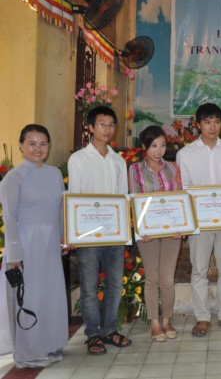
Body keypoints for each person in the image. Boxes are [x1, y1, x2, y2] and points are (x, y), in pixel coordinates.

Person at [0, 125, 68, 368]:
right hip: (26, 247)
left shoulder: (54, 174)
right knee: (28, 298)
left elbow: (61, 209)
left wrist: (64, 237)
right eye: (32, 143)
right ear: (21, 146)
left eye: (43, 144)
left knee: (50, 295)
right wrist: (14, 254)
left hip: (50, 246)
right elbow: (9, 218)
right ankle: (28, 353)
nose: (38, 149)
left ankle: (50, 343)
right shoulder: (13, 178)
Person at [68, 106, 132, 355]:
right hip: (88, 235)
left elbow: (123, 197)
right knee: (89, 287)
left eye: (111, 125)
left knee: (115, 285)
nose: (107, 129)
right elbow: (75, 196)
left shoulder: (118, 160)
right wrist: (73, 233)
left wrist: (125, 229)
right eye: (102, 124)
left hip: (114, 233)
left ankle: (109, 330)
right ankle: (93, 334)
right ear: (91, 127)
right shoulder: (78, 159)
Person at [176, 103, 221, 337]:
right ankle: (202, 317)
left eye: (216, 122)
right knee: (199, 270)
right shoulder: (185, 154)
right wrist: (188, 222)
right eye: (207, 122)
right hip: (199, 222)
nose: (212, 127)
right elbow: (184, 190)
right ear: (198, 125)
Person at [128, 126, 183, 341]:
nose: (158, 151)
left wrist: (180, 227)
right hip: (148, 233)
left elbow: (179, 197)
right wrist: (141, 229)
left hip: (171, 231)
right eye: (153, 146)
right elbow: (134, 199)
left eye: (162, 145)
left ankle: (167, 319)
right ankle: (154, 322)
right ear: (144, 146)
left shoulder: (173, 167)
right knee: (152, 278)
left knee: (167, 278)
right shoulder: (135, 170)